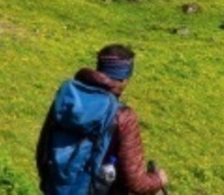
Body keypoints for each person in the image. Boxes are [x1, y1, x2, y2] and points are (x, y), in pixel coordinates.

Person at [37, 44, 169, 194]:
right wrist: (158, 180)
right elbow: (136, 183)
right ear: (124, 78)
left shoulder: (68, 99)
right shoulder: (123, 116)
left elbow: (43, 150)